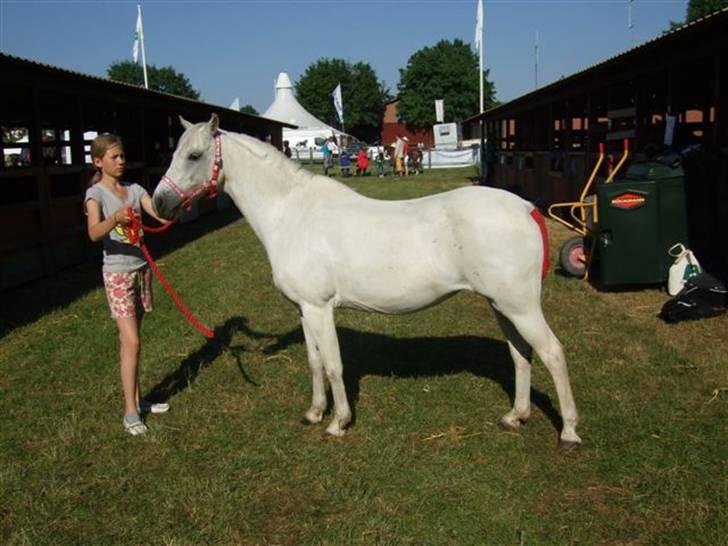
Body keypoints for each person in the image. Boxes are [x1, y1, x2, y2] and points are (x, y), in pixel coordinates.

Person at [84, 133, 169, 436]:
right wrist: (116, 218)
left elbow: (156, 212)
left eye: (122, 156)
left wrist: (177, 204)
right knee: (132, 341)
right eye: (114, 157)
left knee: (130, 342)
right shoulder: (95, 194)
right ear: (99, 162)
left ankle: (138, 399)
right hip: (117, 274)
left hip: (141, 269)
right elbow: (94, 233)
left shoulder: (135, 189)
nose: (120, 161)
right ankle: (130, 412)